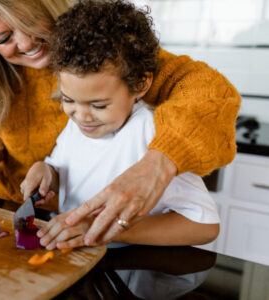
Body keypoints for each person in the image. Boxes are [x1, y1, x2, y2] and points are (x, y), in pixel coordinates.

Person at [0, 0, 240, 246]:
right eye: (4, 38)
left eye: (30, 22)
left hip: (89, 238)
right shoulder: (70, 118)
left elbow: (209, 92)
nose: (27, 42)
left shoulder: (107, 54)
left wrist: (159, 162)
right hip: (45, 227)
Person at [21, 0, 220, 251]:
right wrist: (46, 171)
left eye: (99, 105)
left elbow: (204, 226)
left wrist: (103, 229)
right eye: (68, 100)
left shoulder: (154, 132)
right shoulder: (77, 125)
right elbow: (69, 171)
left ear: (139, 84)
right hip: (76, 263)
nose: (81, 116)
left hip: (135, 273)